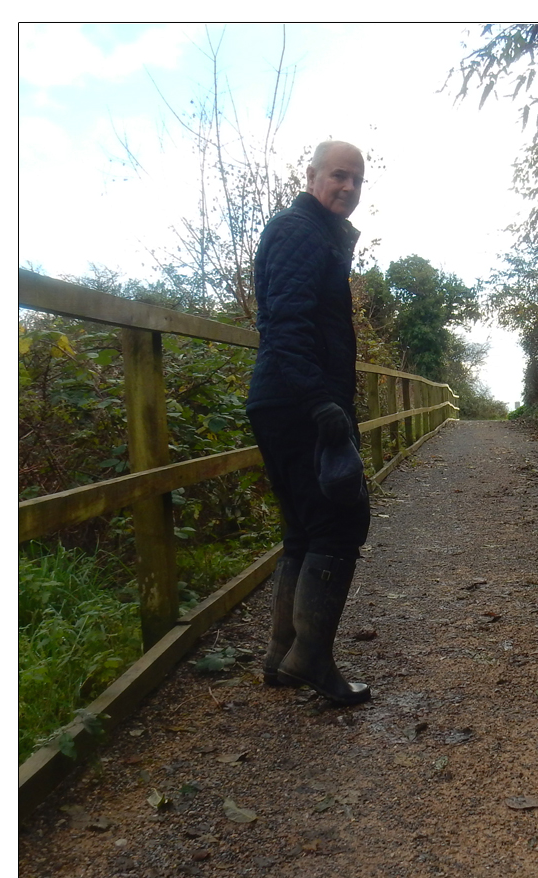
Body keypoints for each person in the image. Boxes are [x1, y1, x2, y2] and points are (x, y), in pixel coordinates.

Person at [246, 140, 371, 706]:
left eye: (356, 180)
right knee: (342, 523)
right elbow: (287, 325)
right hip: (299, 402)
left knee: (303, 529)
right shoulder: (300, 230)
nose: (347, 187)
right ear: (312, 175)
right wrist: (322, 404)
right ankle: (311, 658)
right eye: (338, 176)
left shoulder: (313, 231)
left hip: (281, 399)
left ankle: (282, 655)